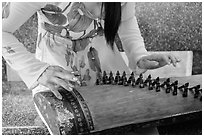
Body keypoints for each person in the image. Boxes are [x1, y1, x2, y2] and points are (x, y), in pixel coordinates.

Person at [2, 2, 180, 135]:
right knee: (75, 125)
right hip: (59, 70)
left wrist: (139, 55)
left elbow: (126, 20)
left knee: (141, 128)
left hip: (107, 65)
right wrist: (38, 71)